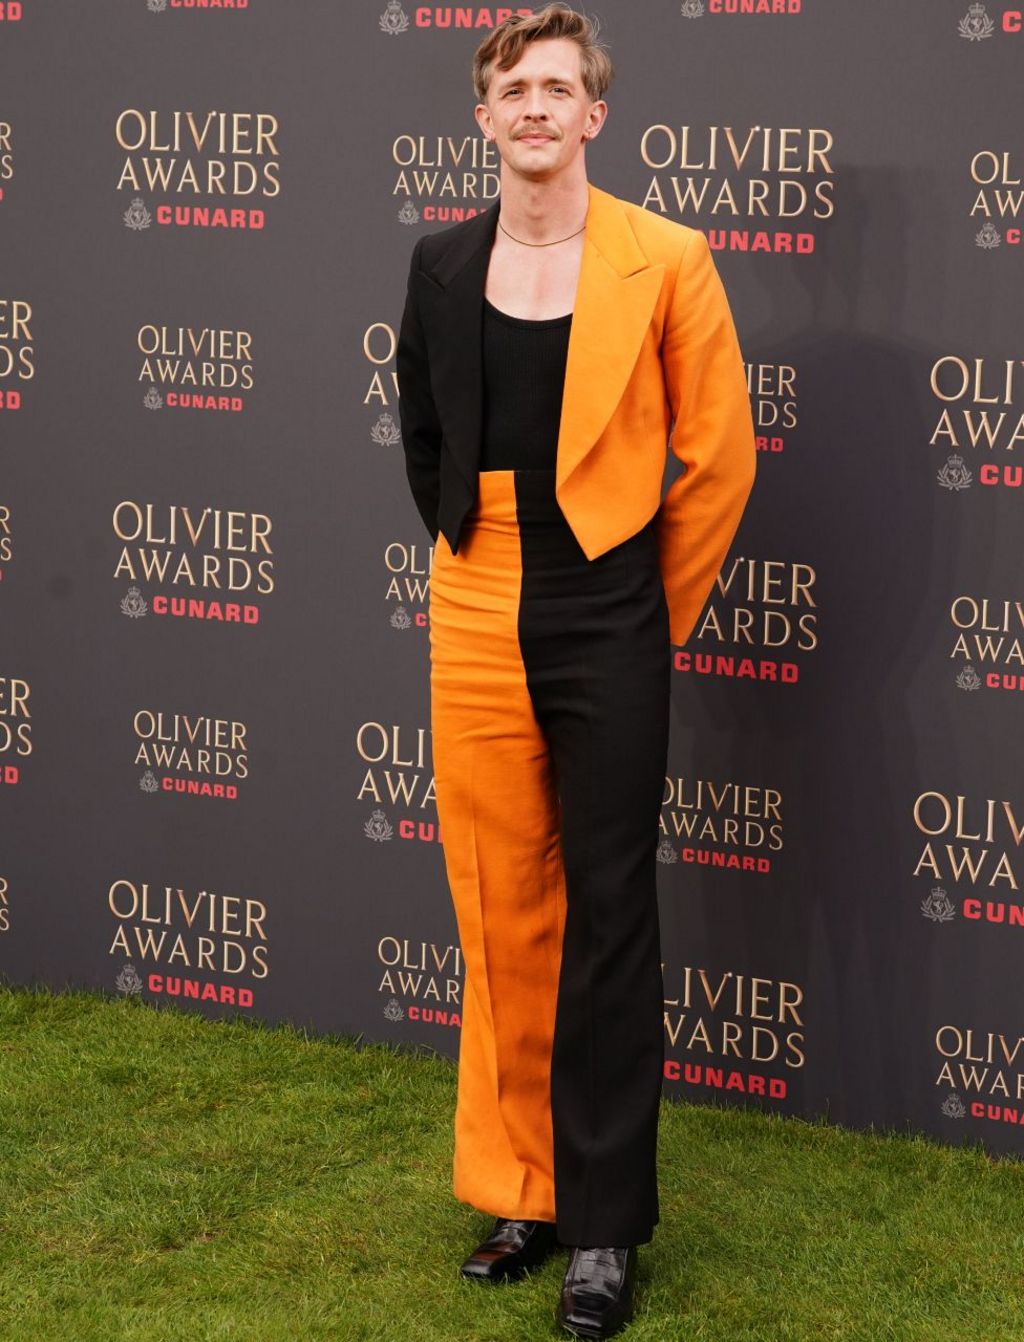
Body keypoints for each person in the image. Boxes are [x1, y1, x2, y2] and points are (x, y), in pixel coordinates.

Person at [396, 5, 756, 1337]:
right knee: (499, 903)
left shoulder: (667, 255)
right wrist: (467, 553)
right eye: (513, 89)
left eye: (559, 88)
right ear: (482, 116)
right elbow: (421, 429)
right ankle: (522, 1188)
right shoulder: (440, 262)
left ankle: (605, 1226)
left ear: (594, 114)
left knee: (609, 909)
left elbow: (719, 460)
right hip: (478, 591)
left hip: (612, 598)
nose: (536, 108)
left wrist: (641, 611)